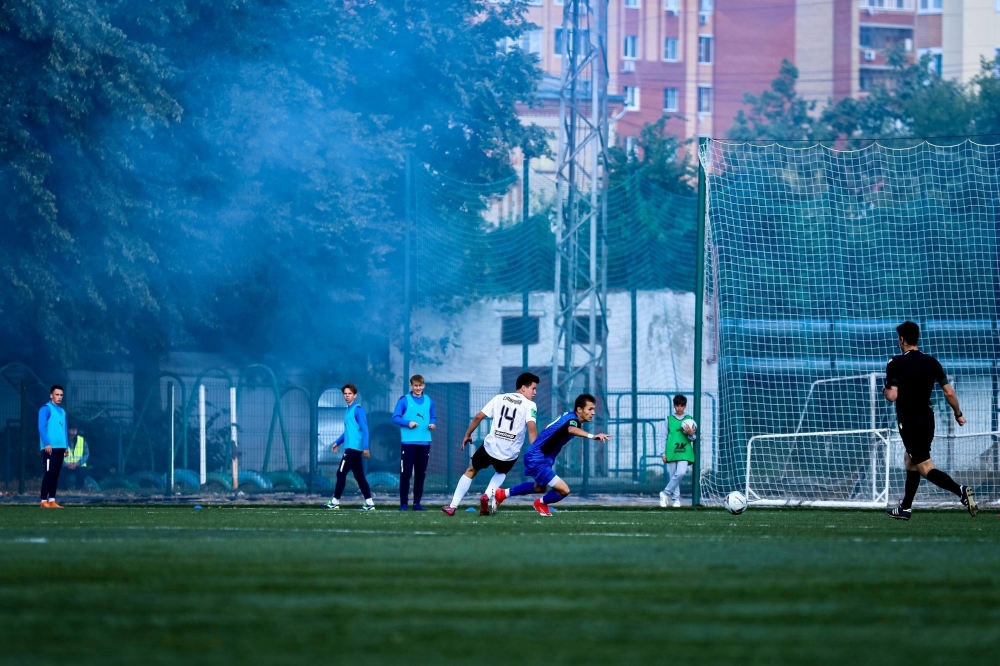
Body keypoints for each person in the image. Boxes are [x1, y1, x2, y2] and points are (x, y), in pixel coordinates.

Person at [884, 321, 976, 520]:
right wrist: (958, 413)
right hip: (927, 419)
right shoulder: (931, 362)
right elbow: (948, 392)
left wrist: (885, 389)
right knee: (910, 460)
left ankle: (960, 491)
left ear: (901, 339)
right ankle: (905, 508)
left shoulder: (895, 363)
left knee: (925, 467)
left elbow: (892, 395)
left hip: (909, 421)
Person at [490, 393, 611, 517]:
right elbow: (571, 429)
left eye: (593, 409)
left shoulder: (569, 416)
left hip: (540, 457)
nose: (593, 412)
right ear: (579, 409)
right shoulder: (572, 420)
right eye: (590, 409)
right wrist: (592, 436)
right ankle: (540, 503)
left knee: (539, 488)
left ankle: (502, 494)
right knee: (564, 490)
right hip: (537, 458)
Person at [442, 372, 539, 516]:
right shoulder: (530, 405)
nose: (535, 392)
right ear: (523, 388)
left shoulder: (499, 398)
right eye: (533, 388)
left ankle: (453, 506)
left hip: (490, 447)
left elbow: (478, 416)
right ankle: (487, 495)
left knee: (471, 470)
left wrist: (467, 434)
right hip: (509, 453)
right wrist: (534, 451)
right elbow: (531, 427)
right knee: (501, 472)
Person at [325, 383, 375, 511]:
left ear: (355, 395)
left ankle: (335, 502)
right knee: (359, 477)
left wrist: (366, 447)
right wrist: (337, 442)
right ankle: (369, 503)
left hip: (353, 449)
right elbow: (348, 431)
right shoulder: (348, 410)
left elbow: (365, 429)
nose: (347, 396)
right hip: (352, 448)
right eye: (345, 394)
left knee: (340, 474)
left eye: (349, 394)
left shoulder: (358, 409)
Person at [391, 375, 436, 511]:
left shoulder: (429, 400)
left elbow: (433, 416)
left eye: (420, 385)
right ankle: (403, 504)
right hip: (408, 443)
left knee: (421, 474)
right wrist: (408, 423)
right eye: (415, 386)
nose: (418, 388)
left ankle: (417, 503)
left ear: (424, 386)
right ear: (411, 386)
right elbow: (395, 417)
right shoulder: (404, 400)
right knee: (406, 473)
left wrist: (433, 424)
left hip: (425, 443)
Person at [659, 394, 697, 509]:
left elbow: (693, 438)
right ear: (674, 406)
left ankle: (665, 493)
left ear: (685, 406)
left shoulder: (690, 420)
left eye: (682, 406)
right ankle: (676, 500)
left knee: (680, 472)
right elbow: (663, 436)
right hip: (671, 451)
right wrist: (663, 453)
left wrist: (691, 434)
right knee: (673, 476)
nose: (679, 408)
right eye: (677, 405)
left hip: (685, 451)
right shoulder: (668, 419)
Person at [38, 385, 69, 508]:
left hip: (61, 448)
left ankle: (52, 500)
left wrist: (66, 446)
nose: (59, 397)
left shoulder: (63, 411)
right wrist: (47, 443)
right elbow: (41, 427)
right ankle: (43, 501)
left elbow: (65, 429)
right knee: (49, 473)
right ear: (51, 395)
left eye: (61, 395)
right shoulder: (45, 409)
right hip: (49, 448)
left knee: (56, 474)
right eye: (57, 394)